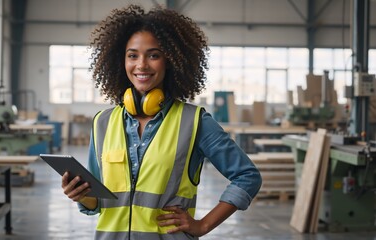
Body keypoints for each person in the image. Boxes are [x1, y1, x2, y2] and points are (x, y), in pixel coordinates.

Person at [61, 4, 262, 240]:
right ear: (120, 61)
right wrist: (80, 194)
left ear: (171, 61)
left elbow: (247, 176)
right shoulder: (102, 122)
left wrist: (203, 225)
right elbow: (95, 203)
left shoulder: (194, 121)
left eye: (154, 55)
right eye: (132, 55)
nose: (142, 65)